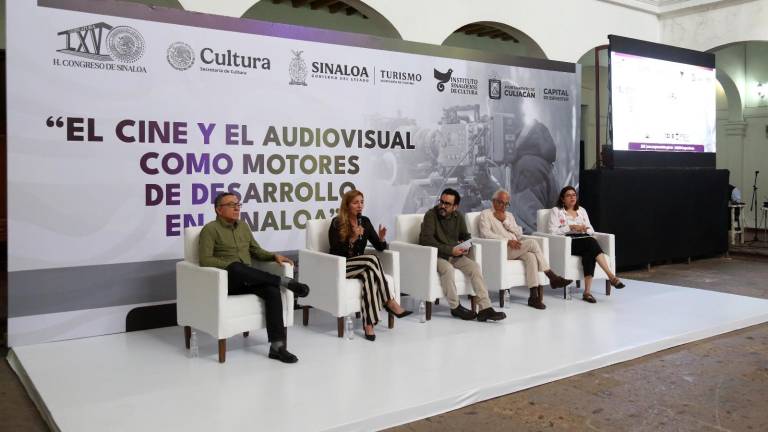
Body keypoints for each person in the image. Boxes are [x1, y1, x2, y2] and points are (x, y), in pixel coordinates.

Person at [199, 192, 309, 363]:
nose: (237, 208)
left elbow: (256, 251)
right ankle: (284, 282)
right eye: (231, 205)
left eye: (238, 204)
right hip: (228, 282)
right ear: (219, 209)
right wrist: (229, 265)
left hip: (249, 278)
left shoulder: (243, 226)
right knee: (236, 267)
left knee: (272, 291)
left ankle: (277, 347)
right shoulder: (210, 229)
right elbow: (205, 259)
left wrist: (273, 256)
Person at [328, 190, 412, 341]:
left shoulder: (365, 222)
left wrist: (382, 238)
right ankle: (389, 301)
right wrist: (353, 238)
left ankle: (368, 324)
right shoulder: (337, 223)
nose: (360, 206)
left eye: (362, 202)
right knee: (371, 260)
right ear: (347, 205)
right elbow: (335, 250)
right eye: (355, 202)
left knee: (369, 274)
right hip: (341, 266)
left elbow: (379, 247)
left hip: (361, 265)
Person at [419, 188, 506, 322]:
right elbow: (426, 241)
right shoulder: (430, 215)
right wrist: (451, 250)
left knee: (475, 267)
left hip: (454, 254)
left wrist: (466, 246)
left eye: (447, 204)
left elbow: (466, 236)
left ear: (455, 207)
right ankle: (455, 307)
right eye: (441, 202)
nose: (442, 206)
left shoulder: (458, 216)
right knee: (448, 269)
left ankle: (485, 308)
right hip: (436, 256)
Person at [478, 189, 572, 309]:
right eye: (501, 203)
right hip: (500, 250)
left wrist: (505, 222)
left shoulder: (509, 216)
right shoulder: (486, 214)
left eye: (506, 204)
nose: (504, 206)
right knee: (532, 243)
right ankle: (552, 276)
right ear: (494, 201)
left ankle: (533, 297)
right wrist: (507, 241)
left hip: (515, 248)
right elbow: (485, 234)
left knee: (531, 257)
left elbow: (519, 233)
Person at [547, 186, 625, 303]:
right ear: (562, 199)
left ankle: (587, 292)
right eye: (568, 195)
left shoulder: (581, 210)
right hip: (567, 242)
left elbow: (591, 230)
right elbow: (552, 232)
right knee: (591, 243)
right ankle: (611, 276)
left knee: (589, 252)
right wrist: (571, 227)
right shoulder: (556, 211)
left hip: (584, 239)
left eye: (574, 195)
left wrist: (584, 229)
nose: (572, 197)